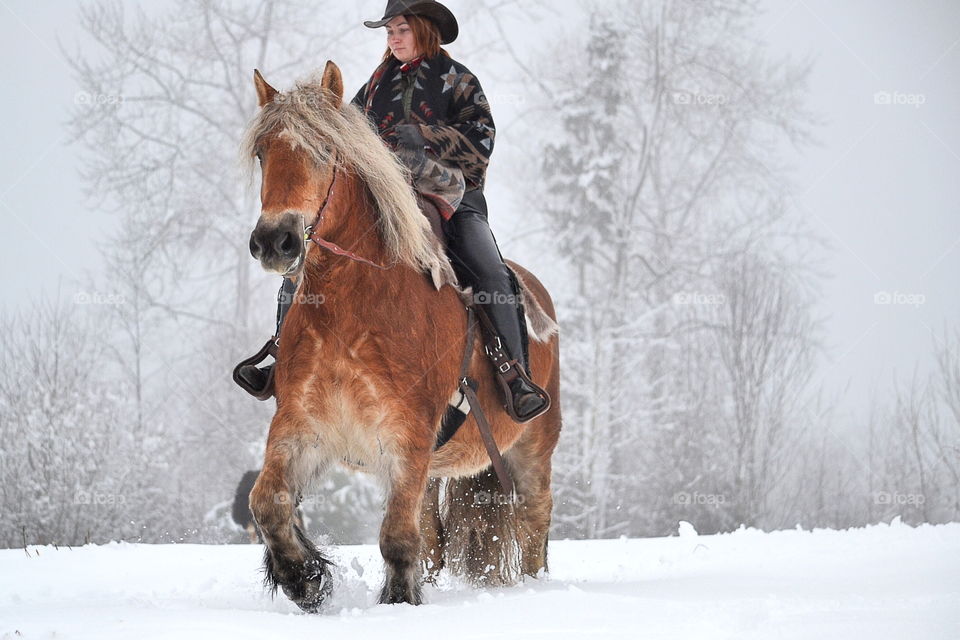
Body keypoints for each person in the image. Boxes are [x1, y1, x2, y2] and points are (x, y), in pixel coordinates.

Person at [235, 0, 548, 422]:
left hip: (455, 200)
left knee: (490, 271)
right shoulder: (376, 86)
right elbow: (346, 143)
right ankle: (279, 352)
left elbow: (482, 141)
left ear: (424, 30)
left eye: (401, 29)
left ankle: (514, 375)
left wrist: (424, 134)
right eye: (389, 32)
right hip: (390, 201)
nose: (394, 39)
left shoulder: (457, 80)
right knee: (309, 261)